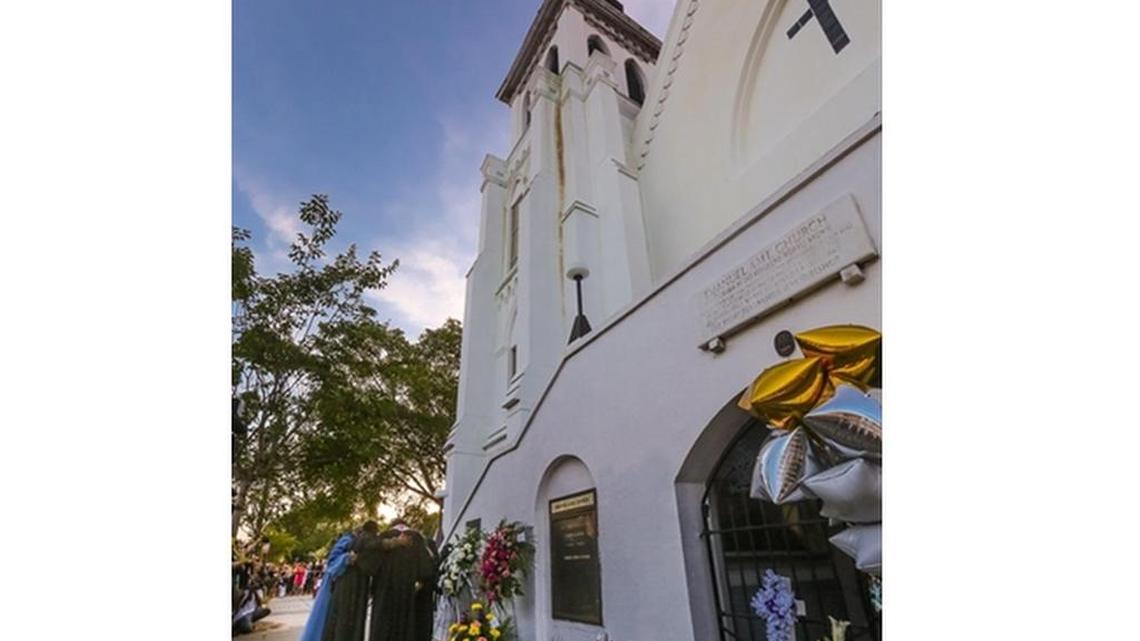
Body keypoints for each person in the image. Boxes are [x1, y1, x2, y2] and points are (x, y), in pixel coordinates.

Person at [368, 519, 437, 641]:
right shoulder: (417, 538)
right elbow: (426, 569)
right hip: (408, 592)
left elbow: (373, 566)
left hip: (385, 592)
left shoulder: (384, 537)